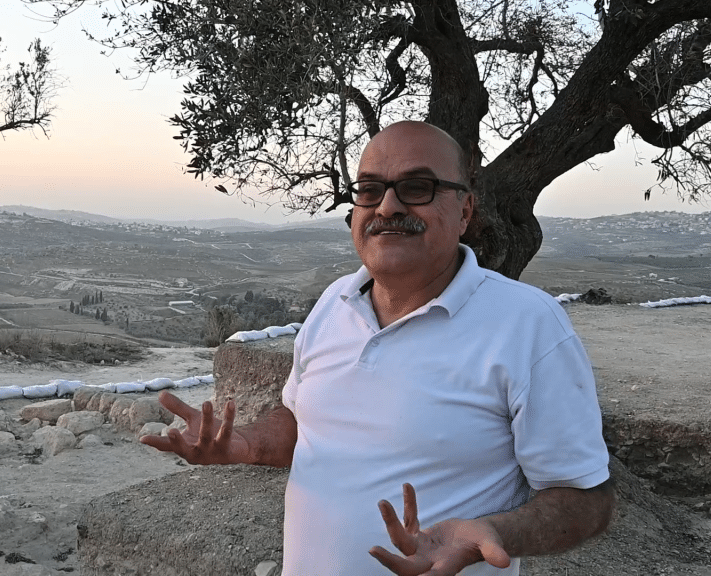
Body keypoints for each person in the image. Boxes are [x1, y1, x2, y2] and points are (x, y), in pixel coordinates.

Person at [141, 121, 615, 576]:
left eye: (416, 187)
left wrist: (493, 532)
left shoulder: (528, 324)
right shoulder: (334, 302)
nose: (386, 206)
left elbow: (586, 499)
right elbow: (306, 421)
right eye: (369, 189)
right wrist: (245, 442)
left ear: (465, 211)